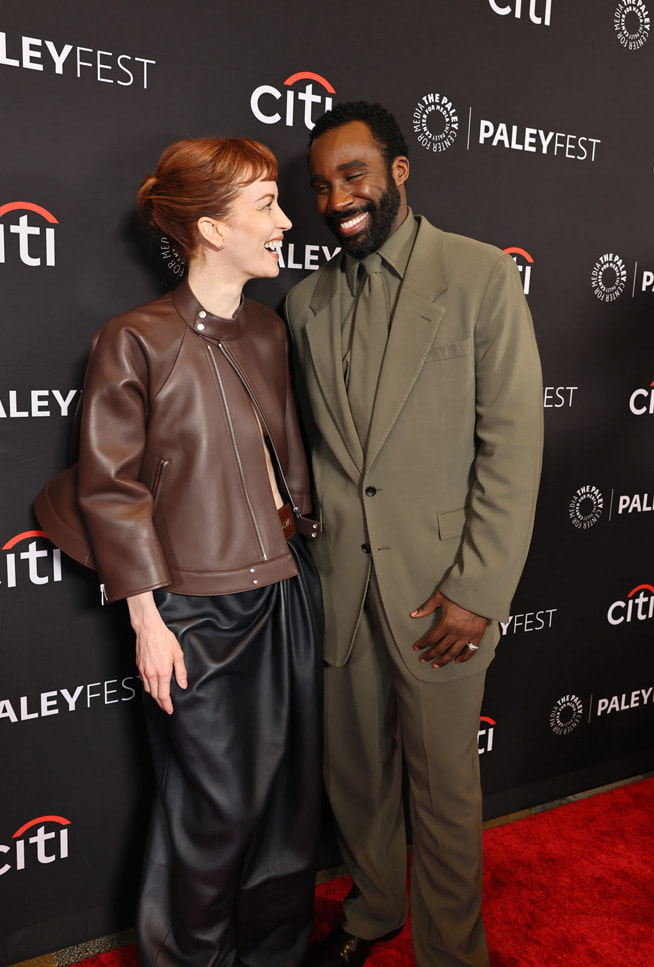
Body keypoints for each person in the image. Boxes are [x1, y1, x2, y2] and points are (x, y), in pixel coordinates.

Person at [35, 137, 323, 967]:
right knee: (214, 810)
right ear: (207, 227)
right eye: (265, 204)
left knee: (288, 806)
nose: (285, 219)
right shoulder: (134, 338)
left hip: (287, 590)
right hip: (192, 608)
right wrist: (147, 619)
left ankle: (275, 955)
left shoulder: (269, 330)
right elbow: (110, 487)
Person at [285, 102, 543, 967]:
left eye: (352, 174)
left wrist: (479, 589)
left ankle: (450, 952)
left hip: (443, 592)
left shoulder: (477, 276)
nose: (336, 198)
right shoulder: (304, 301)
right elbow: (319, 448)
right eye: (322, 185)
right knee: (357, 781)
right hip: (341, 589)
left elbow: (512, 444)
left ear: (399, 172)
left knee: (442, 794)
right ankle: (374, 911)